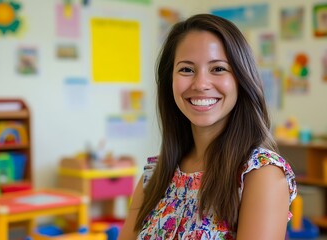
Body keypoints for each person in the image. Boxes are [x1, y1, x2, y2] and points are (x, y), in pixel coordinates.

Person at [119, 13, 297, 240]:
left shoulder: (260, 174)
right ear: (169, 80)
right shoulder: (155, 175)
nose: (201, 84)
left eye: (218, 69)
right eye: (186, 69)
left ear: (241, 79)